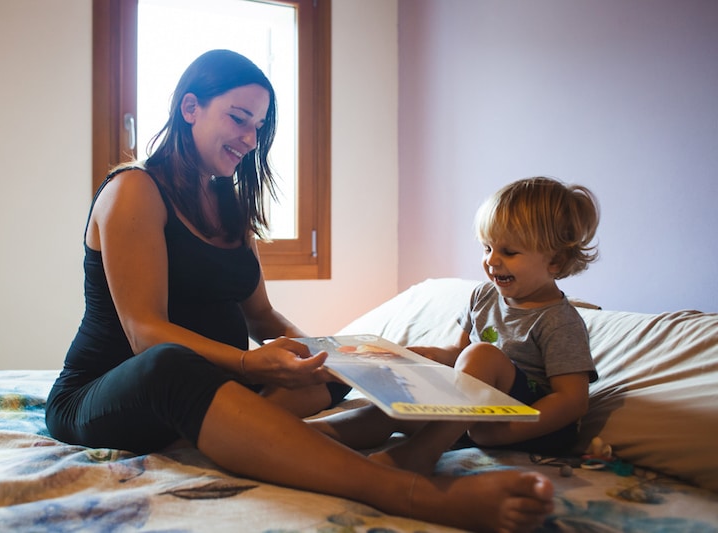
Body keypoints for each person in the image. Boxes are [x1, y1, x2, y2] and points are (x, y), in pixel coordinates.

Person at [45, 49, 554, 532]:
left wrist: (327, 354)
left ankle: (238, 433)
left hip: (207, 382)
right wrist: (250, 364)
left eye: (259, 126)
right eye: (238, 117)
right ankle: (402, 490)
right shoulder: (134, 189)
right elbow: (145, 334)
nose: (250, 137)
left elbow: (263, 318)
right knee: (171, 363)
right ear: (191, 108)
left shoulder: (229, 205)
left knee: (325, 377)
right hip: (110, 390)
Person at [312, 176, 600, 476]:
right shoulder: (484, 295)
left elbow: (572, 401)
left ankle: (422, 452)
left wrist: (504, 432)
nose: (492, 261)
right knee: (395, 410)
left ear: (556, 260)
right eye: (487, 248)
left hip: (532, 426)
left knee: (482, 355)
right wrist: (415, 357)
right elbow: (458, 354)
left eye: (509, 252)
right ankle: (306, 434)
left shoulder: (559, 321)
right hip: (472, 415)